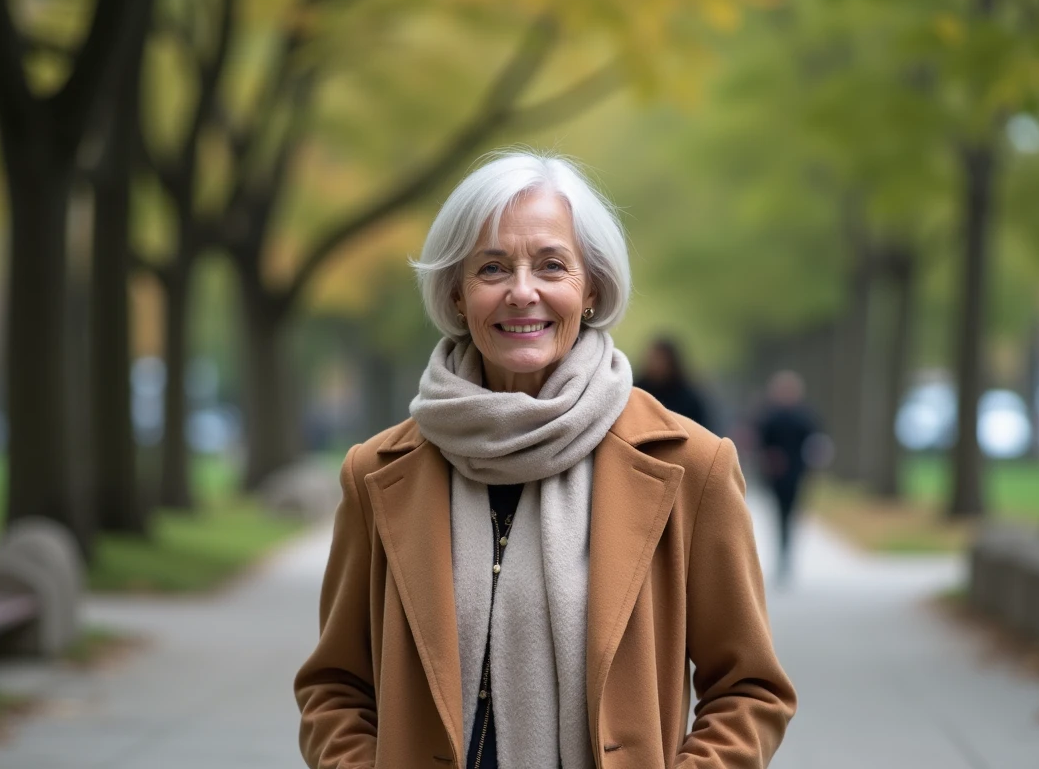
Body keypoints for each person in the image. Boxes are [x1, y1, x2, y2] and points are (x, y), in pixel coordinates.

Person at [294, 151, 796, 769]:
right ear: (457, 294)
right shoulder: (376, 473)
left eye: (552, 265)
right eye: (492, 268)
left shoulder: (693, 466)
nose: (522, 291)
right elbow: (336, 689)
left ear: (592, 289)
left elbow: (749, 690)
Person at [755, 370, 822, 584]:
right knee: (779, 515)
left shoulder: (804, 417)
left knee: (791, 515)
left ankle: (787, 555)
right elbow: (761, 444)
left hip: (796, 474)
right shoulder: (769, 417)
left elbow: (814, 444)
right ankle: (782, 555)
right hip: (776, 475)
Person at [634, 337, 711, 430]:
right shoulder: (636, 392)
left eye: (662, 360)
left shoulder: (688, 400)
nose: (657, 365)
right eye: (655, 359)